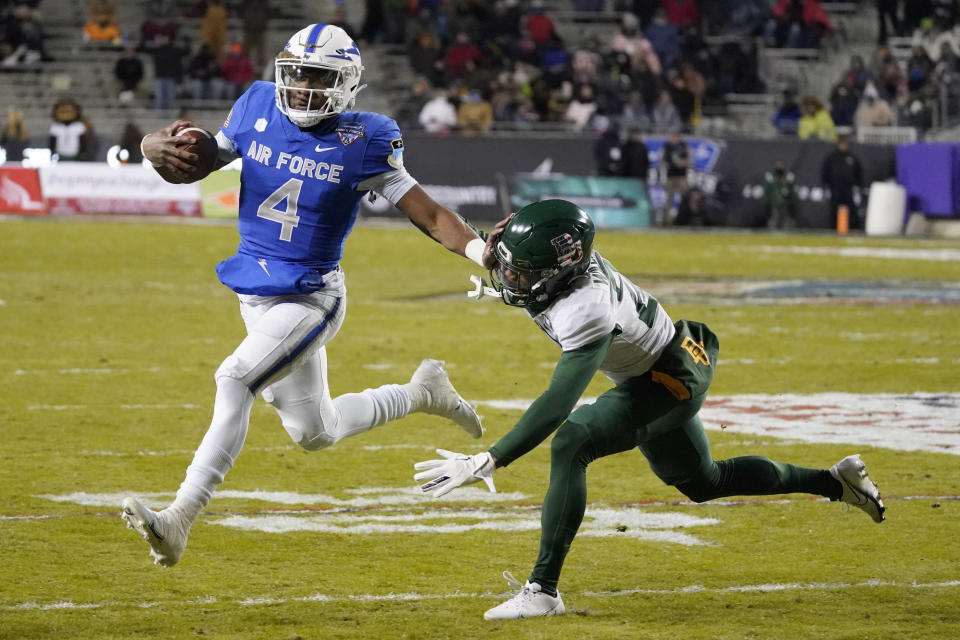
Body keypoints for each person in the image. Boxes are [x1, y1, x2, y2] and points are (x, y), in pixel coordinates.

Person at [120, 24, 488, 568]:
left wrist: (484, 256)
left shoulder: (367, 138)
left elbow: (431, 214)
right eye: (295, 75)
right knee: (316, 433)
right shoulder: (256, 104)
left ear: (347, 85)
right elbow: (193, 163)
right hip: (255, 289)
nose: (302, 89)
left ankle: (178, 520)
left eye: (318, 78)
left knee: (234, 378)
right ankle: (422, 393)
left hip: (309, 295)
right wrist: (154, 146)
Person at [413, 199, 886, 620]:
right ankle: (834, 482)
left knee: (572, 439)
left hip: (668, 376)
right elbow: (467, 237)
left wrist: (490, 459)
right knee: (705, 482)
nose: (510, 278)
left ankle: (543, 589)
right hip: (650, 370)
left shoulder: (587, 307)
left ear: (559, 272)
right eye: (509, 268)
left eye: (520, 273)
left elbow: (560, 400)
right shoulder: (559, 270)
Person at [821, 134, 864, 230]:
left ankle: (854, 229)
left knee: (852, 210)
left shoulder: (852, 158)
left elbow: (858, 173)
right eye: (842, 144)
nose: (843, 146)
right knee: (834, 209)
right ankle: (833, 229)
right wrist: (825, 185)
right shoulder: (831, 158)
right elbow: (825, 172)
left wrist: (858, 186)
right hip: (835, 188)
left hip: (848, 188)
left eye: (845, 144)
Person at [660, 128, 689, 225]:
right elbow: (664, 161)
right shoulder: (667, 146)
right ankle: (666, 220)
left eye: (676, 136)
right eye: (673, 135)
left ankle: (682, 219)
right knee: (668, 199)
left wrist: (682, 163)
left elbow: (689, 160)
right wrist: (676, 163)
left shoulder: (683, 146)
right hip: (670, 176)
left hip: (681, 177)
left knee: (683, 198)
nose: (675, 138)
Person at [762, 160, 797, 229]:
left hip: (784, 202)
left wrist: (788, 195)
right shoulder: (773, 177)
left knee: (785, 217)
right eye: (778, 166)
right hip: (775, 202)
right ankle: (773, 230)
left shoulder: (786, 177)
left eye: (780, 166)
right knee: (775, 217)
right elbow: (770, 190)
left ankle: (786, 230)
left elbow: (791, 190)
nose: (779, 167)